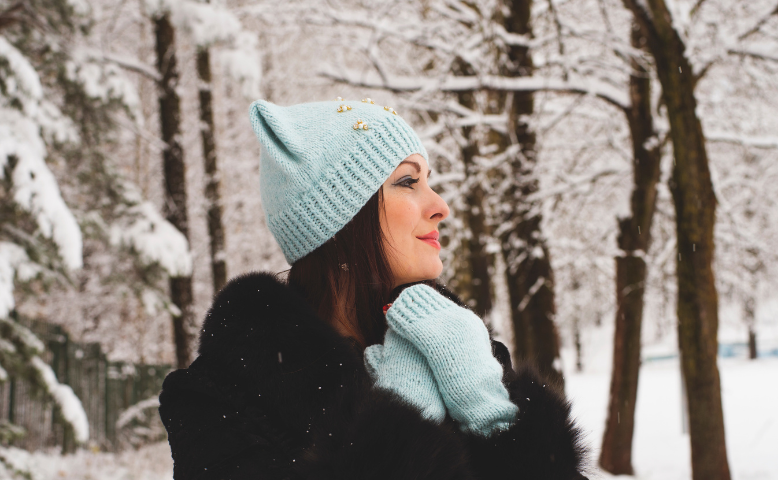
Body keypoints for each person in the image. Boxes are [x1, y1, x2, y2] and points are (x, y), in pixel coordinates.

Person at [158, 98, 589, 479]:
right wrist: (398, 422)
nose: (441, 206)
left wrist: (495, 417)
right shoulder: (221, 400)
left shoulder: (458, 349)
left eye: (429, 180)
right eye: (407, 181)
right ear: (340, 216)